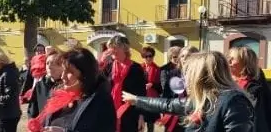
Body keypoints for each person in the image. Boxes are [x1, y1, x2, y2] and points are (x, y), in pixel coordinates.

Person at [124, 51, 257, 132]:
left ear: (201, 76)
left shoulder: (234, 102)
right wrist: (136, 100)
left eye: (189, 73)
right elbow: (168, 104)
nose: (186, 78)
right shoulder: (204, 99)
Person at [32, 47, 116, 132]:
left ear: (85, 75)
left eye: (69, 72)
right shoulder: (58, 95)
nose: (62, 76)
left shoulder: (100, 101)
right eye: (63, 70)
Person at [103, 35, 148, 132]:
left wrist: (141, 116)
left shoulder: (136, 68)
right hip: (110, 111)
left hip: (130, 112)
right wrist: (102, 64)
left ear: (124, 48)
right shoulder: (108, 66)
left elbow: (141, 93)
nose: (111, 50)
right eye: (110, 47)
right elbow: (99, 85)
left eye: (115, 47)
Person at [228, 46, 271, 130]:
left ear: (245, 63)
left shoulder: (253, 90)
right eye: (229, 58)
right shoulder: (227, 83)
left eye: (233, 59)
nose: (228, 61)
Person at [0, 52, 22, 132]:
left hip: (8, 115)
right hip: (4, 114)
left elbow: (10, 96)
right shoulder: (1, 73)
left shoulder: (8, 74)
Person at [26, 51, 64, 122]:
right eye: (47, 63)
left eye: (54, 63)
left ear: (63, 66)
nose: (49, 66)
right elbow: (32, 111)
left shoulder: (69, 86)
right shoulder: (39, 86)